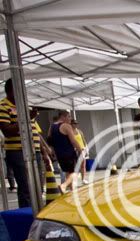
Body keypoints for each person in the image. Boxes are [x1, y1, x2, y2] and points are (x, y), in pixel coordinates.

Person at [0, 79, 47, 208]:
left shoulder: (24, 107)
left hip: (34, 151)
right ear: (11, 91)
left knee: (38, 186)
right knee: (27, 187)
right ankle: (27, 215)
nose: (24, 94)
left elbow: (35, 132)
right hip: (17, 151)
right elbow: (7, 131)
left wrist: (44, 151)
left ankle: (37, 212)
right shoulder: (3, 106)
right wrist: (27, 118)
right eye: (20, 90)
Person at [50, 110, 83, 193]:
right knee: (75, 172)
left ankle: (72, 190)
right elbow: (73, 141)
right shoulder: (66, 126)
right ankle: (63, 186)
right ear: (63, 117)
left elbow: (49, 140)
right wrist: (80, 150)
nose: (70, 119)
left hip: (59, 153)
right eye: (69, 116)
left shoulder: (52, 126)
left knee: (68, 172)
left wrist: (53, 151)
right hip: (69, 152)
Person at [70, 119, 89, 184]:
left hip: (82, 149)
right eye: (74, 123)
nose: (75, 125)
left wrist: (86, 148)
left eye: (76, 123)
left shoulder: (79, 131)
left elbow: (83, 140)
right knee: (75, 166)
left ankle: (83, 179)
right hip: (74, 150)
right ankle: (73, 181)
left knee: (83, 165)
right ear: (71, 124)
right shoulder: (70, 132)